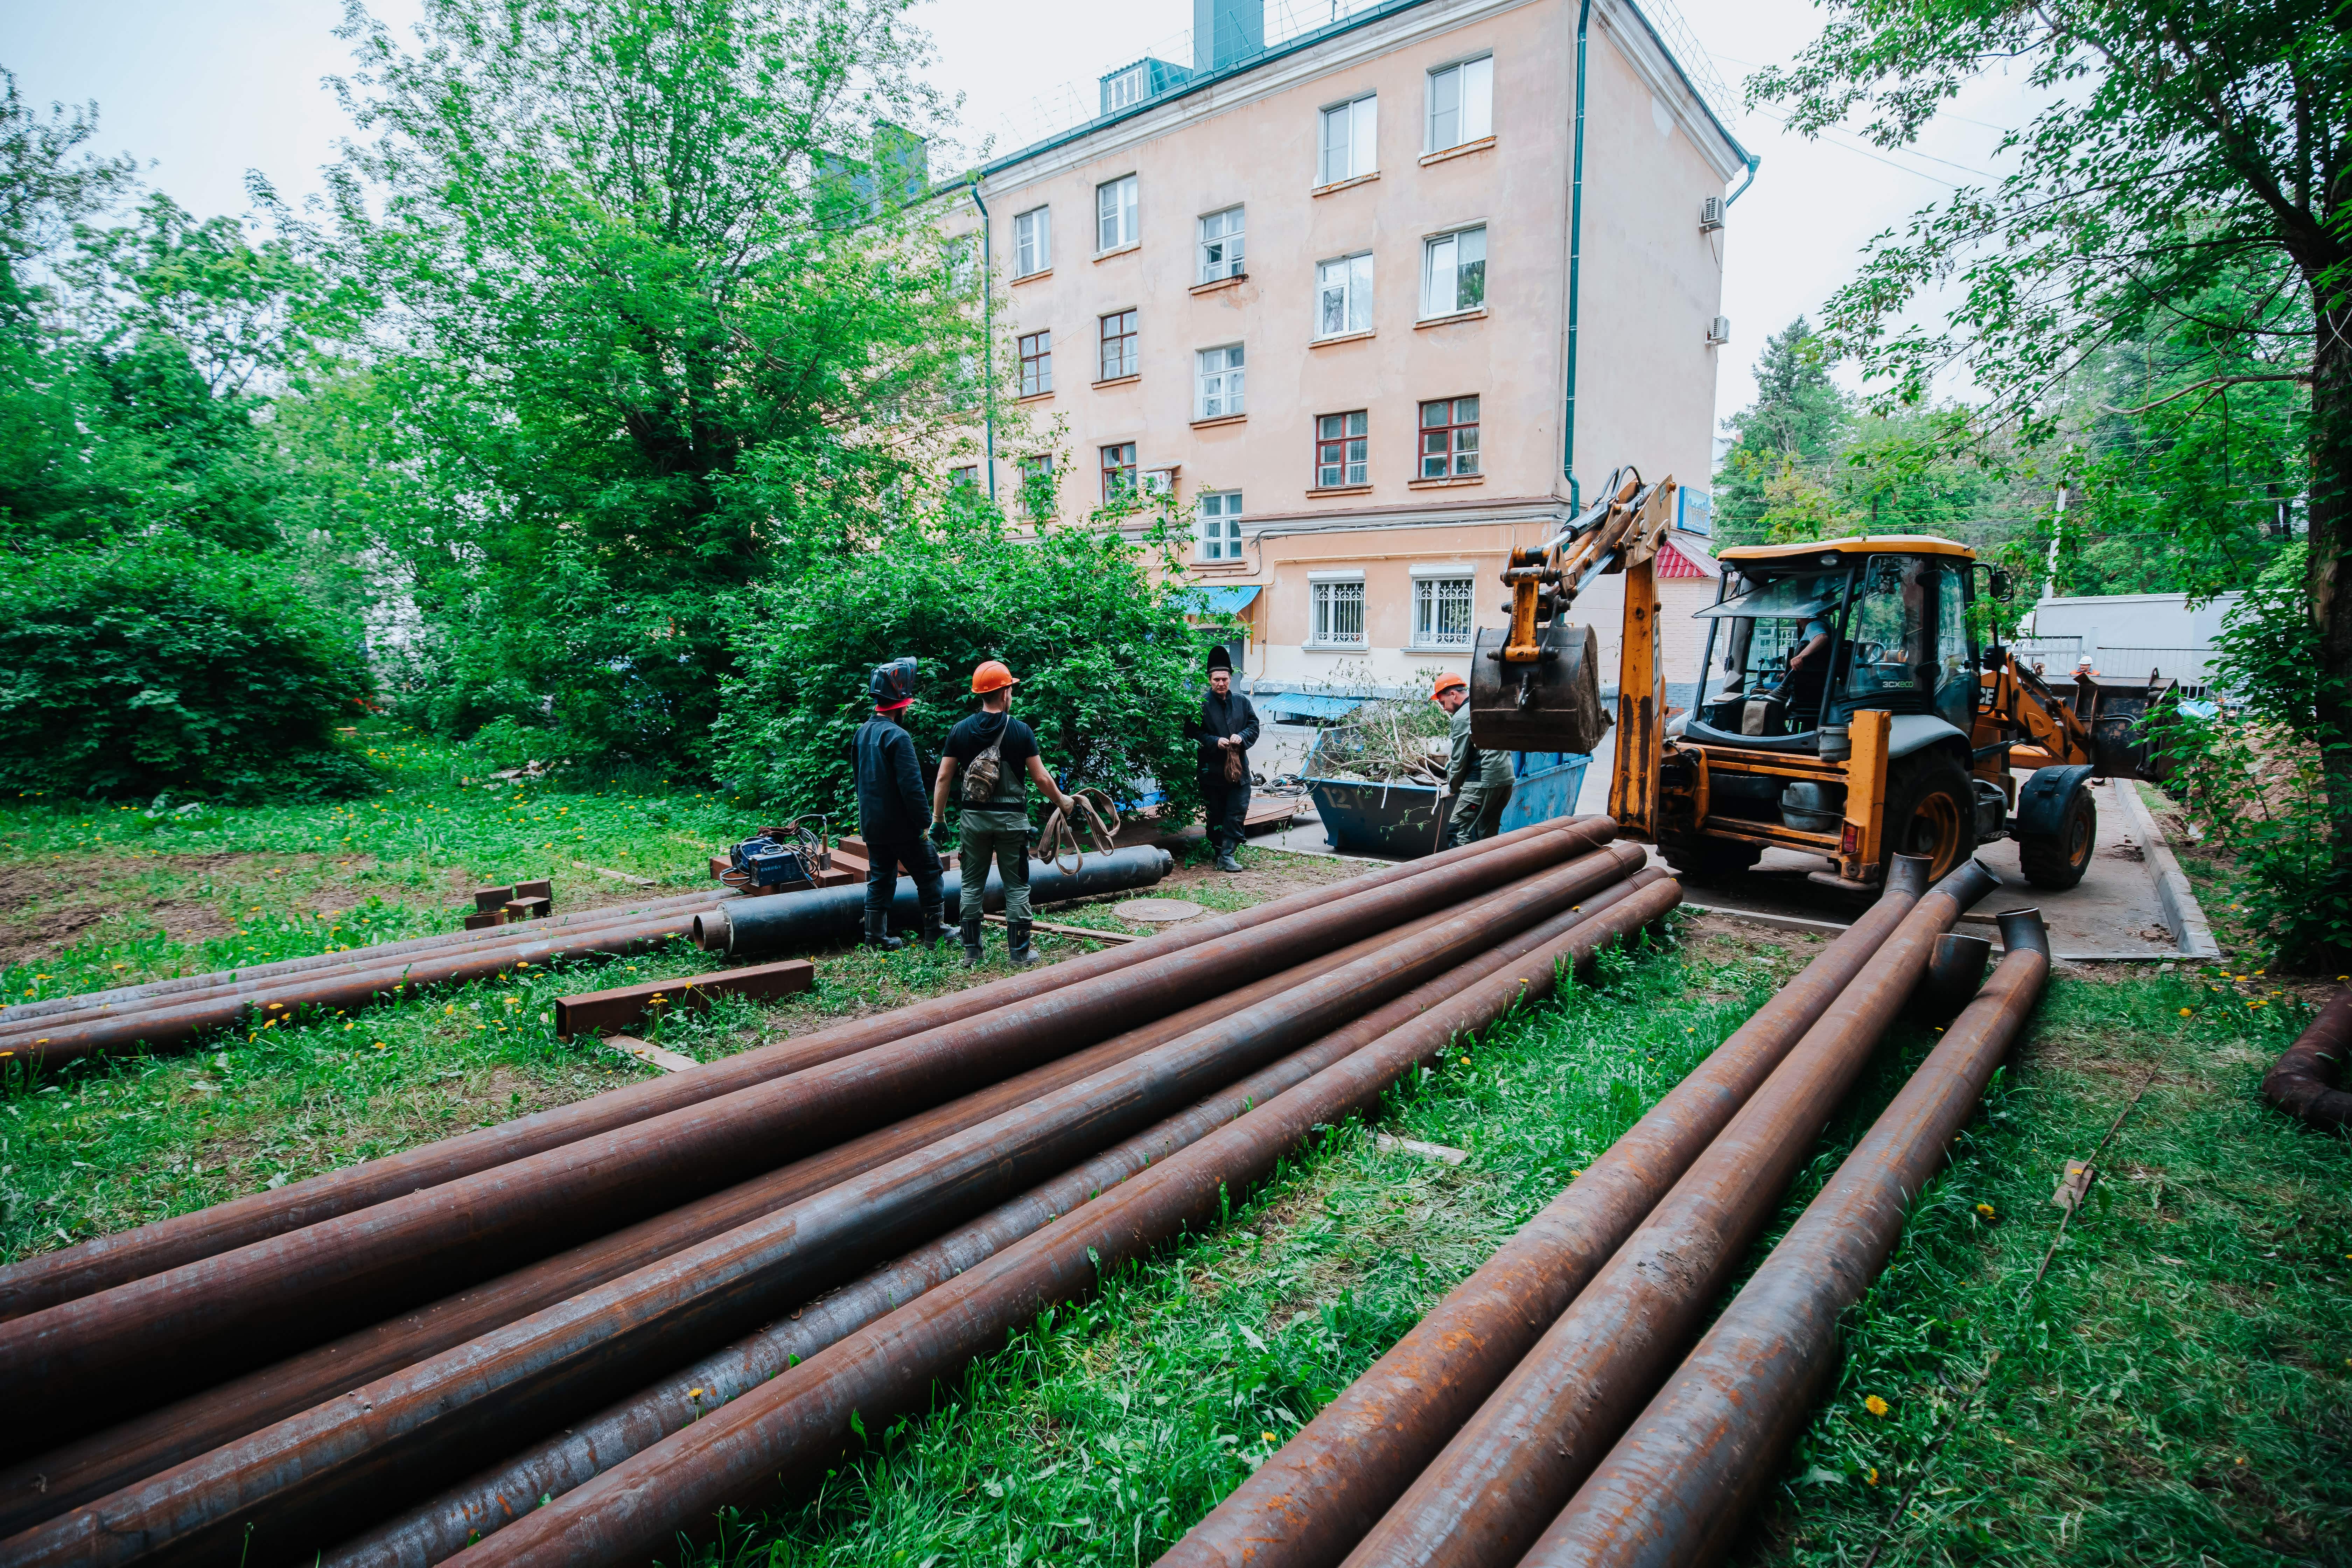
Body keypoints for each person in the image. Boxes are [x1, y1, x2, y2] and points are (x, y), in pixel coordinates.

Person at [932, 659, 1078, 968]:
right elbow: (1041, 779)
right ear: (1004, 693)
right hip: (1012, 823)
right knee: (1016, 885)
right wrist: (1063, 801)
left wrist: (938, 819)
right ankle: (1019, 954)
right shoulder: (1021, 731)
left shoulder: (960, 730)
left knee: (971, 884)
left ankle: (972, 952)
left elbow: (944, 778)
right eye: (1010, 688)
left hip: (973, 821)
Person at [852, 657, 946, 952]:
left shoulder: (862, 732)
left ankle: (874, 938)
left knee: (881, 878)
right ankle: (935, 931)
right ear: (900, 703)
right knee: (930, 872)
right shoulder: (898, 736)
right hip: (902, 827)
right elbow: (912, 788)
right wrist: (925, 824)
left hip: (872, 824)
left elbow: (860, 780)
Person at [1190, 644, 1259, 873]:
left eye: (1225, 679)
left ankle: (1228, 855)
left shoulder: (1242, 703)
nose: (1221, 683)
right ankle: (1219, 852)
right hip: (1212, 772)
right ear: (1210, 680)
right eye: (1216, 679)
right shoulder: (1200, 705)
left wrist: (1241, 737)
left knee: (1237, 811)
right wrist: (1214, 742)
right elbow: (1192, 733)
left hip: (1239, 772)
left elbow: (1254, 726)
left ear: (1231, 679)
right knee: (1217, 814)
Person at [1433, 671, 1512, 848]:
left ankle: (1466, 875)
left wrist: (1452, 787)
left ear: (1453, 694)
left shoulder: (1462, 717)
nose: (1444, 708)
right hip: (1505, 780)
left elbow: (1459, 758)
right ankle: (1492, 873)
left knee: (1457, 831)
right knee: (1488, 835)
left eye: (1443, 702)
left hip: (1482, 781)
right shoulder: (1485, 706)